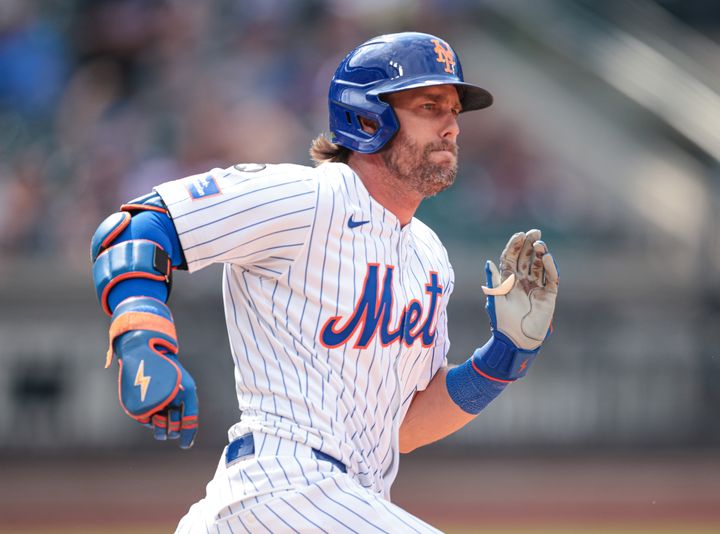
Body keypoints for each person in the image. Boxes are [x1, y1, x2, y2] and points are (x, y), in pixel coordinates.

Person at [90, 32, 559, 533]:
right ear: (367, 117)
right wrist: (141, 335)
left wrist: (506, 355)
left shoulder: (428, 255)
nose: (451, 127)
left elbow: (404, 427)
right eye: (429, 105)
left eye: (454, 111)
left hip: (327, 504)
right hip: (279, 487)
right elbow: (136, 227)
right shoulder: (307, 199)